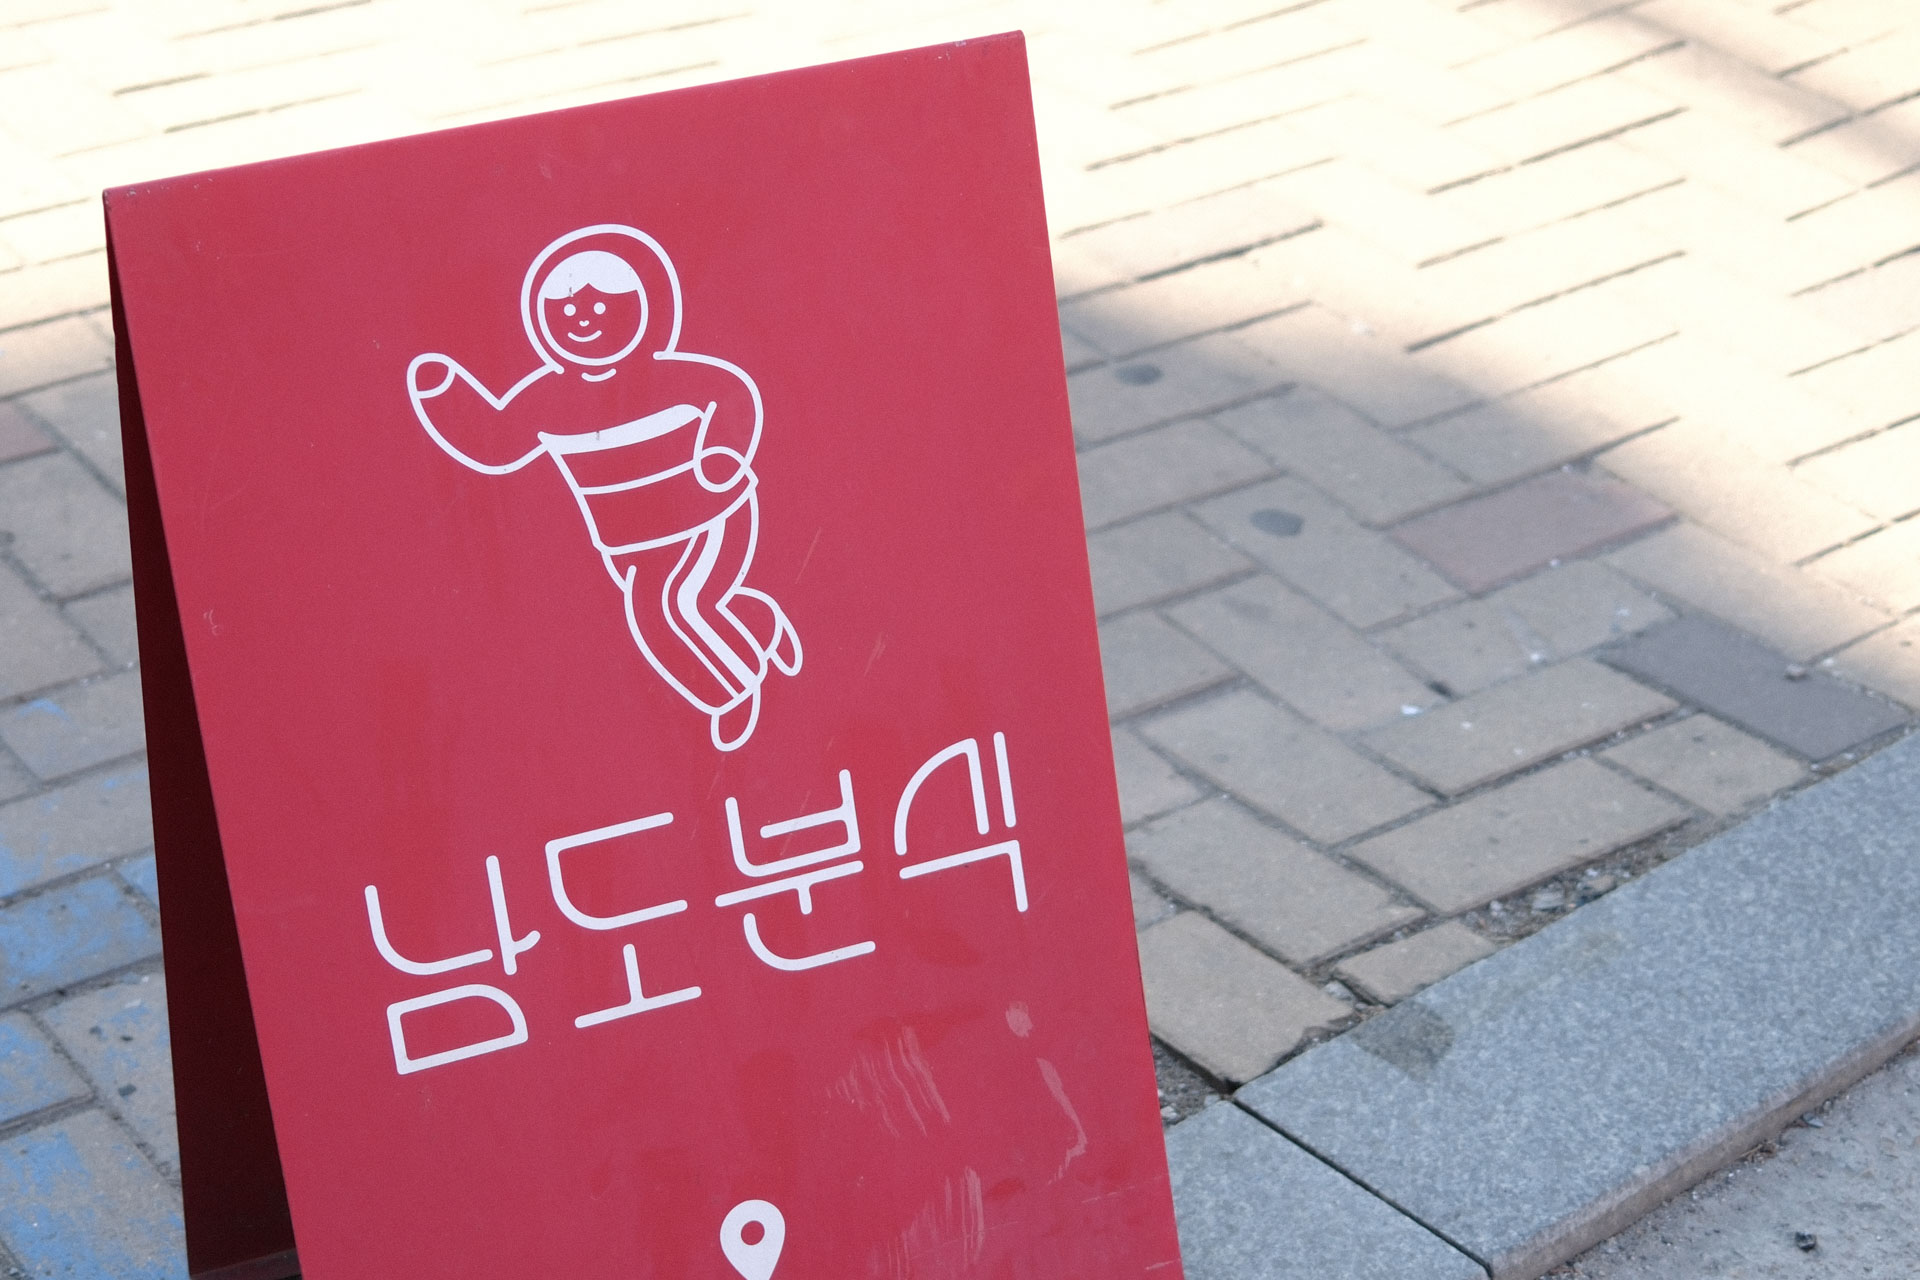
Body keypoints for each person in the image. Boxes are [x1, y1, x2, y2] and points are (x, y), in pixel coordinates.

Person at [407, 224, 800, 751]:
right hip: (628, 544)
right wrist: (445, 394)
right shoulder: (548, 400)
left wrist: (721, 454)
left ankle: (730, 692)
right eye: (567, 310)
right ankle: (759, 625)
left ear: (644, 308)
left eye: (599, 306)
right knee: (693, 605)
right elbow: (495, 443)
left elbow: (732, 396)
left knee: (663, 608)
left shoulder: (673, 378)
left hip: (707, 514)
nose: (583, 320)